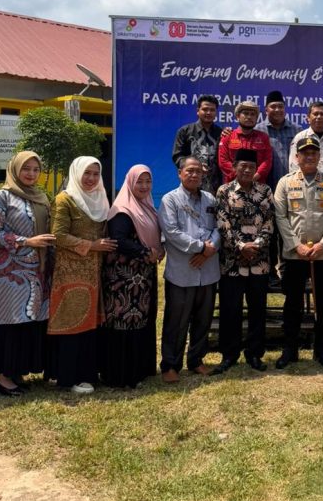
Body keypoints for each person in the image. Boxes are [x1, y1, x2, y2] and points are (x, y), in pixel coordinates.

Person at [0, 151, 55, 397]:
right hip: (10, 273)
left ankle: (16, 372)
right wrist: (26, 241)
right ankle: (3, 378)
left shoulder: (41, 197)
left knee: (28, 324)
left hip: (37, 272)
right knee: (11, 324)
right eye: (26, 169)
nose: (31, 174)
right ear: (14, 169)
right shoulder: (2, 196)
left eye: (35, 169)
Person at [47, 156, 117, 394]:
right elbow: (58, 236)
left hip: (95, 273)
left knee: (90, 324)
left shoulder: (101, 198)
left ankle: (87, 373)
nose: (91, 178)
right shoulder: (65, 199)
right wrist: (92, 245)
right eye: (87, 173)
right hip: (71, 272)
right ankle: (68, 377)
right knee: (72, 324)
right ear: (76, 173)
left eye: (96, 174)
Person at [274, 135, 323, 370]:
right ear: (297, 157)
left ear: (319, 156)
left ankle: (322, 348)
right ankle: (290, 348)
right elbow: (280, 217)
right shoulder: (285, 183)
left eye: (314, 153)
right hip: (295, 255)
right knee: (292, 302)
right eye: (305, 153)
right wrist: (296, 245)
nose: (310, 156)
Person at [157, 157, 220, 383]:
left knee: (203, 319)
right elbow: (172, 232)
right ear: (180, 173)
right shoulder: (170, 200)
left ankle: (196, 359)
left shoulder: (210, 199)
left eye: (198, 171)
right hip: (182, 272)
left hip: (208, 270)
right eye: (189, 171)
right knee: (177, 321)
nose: (194, 175)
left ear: (203, 174)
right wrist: (201, 247)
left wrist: (210, 248)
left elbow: (219, 227)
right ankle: (170, 365)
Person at [101, 164, 162, 388]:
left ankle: (139, 369)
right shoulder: (122, 210)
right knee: (123, 322)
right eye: (140, 182)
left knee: (140, 321)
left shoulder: (147, 207)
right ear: (130, 183)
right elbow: (118, 240)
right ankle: (120, 374)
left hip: (142, 276)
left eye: (148, 181)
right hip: (122, 279)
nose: (144, 186)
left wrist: (157, 252)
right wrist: (145, 252)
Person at [213, 149, 274, 373]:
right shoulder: (224, 191)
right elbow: (222, 223)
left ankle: (254, 353)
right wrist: (240, 246)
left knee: (258, 310)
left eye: (251, 166)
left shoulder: (265, 191)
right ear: (234, 167)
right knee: (231, 310)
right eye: (243, 166)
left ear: (256, 169)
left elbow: (269, 222)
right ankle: (229, 354)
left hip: (259, 261)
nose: (247, 170)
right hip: (232, 262)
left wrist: (255, 245)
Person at [255, 90, 301, 287]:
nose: (277, 110)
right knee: (269, 232)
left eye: (280, 106)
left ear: (285, 108)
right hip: (265, 190)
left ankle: (288, 269)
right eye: (273, 106)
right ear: (266, 109)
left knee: (289, 231)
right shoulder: (258, 130)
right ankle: (271, 271)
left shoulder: (297, 130)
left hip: (292, 191)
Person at [172, 95, 223, 195]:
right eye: (205, 109)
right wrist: (195, 166)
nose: (208, 113)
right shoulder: (185, 131)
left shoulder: (221, 133)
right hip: (191, 181)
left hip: (215, 186)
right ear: (198, 111)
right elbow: (177, 156)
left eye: (212, 110)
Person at [218, 101, 272, 184]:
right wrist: (240, 177)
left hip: (257, 184)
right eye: (246, 113)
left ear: (256, 118)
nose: (249, 117)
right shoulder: (227, 136)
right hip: (232, 184)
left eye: (252, 114)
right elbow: (223, 161)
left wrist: (256, 176)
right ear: (237, 117)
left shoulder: (263, 137)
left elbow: (267, 161)